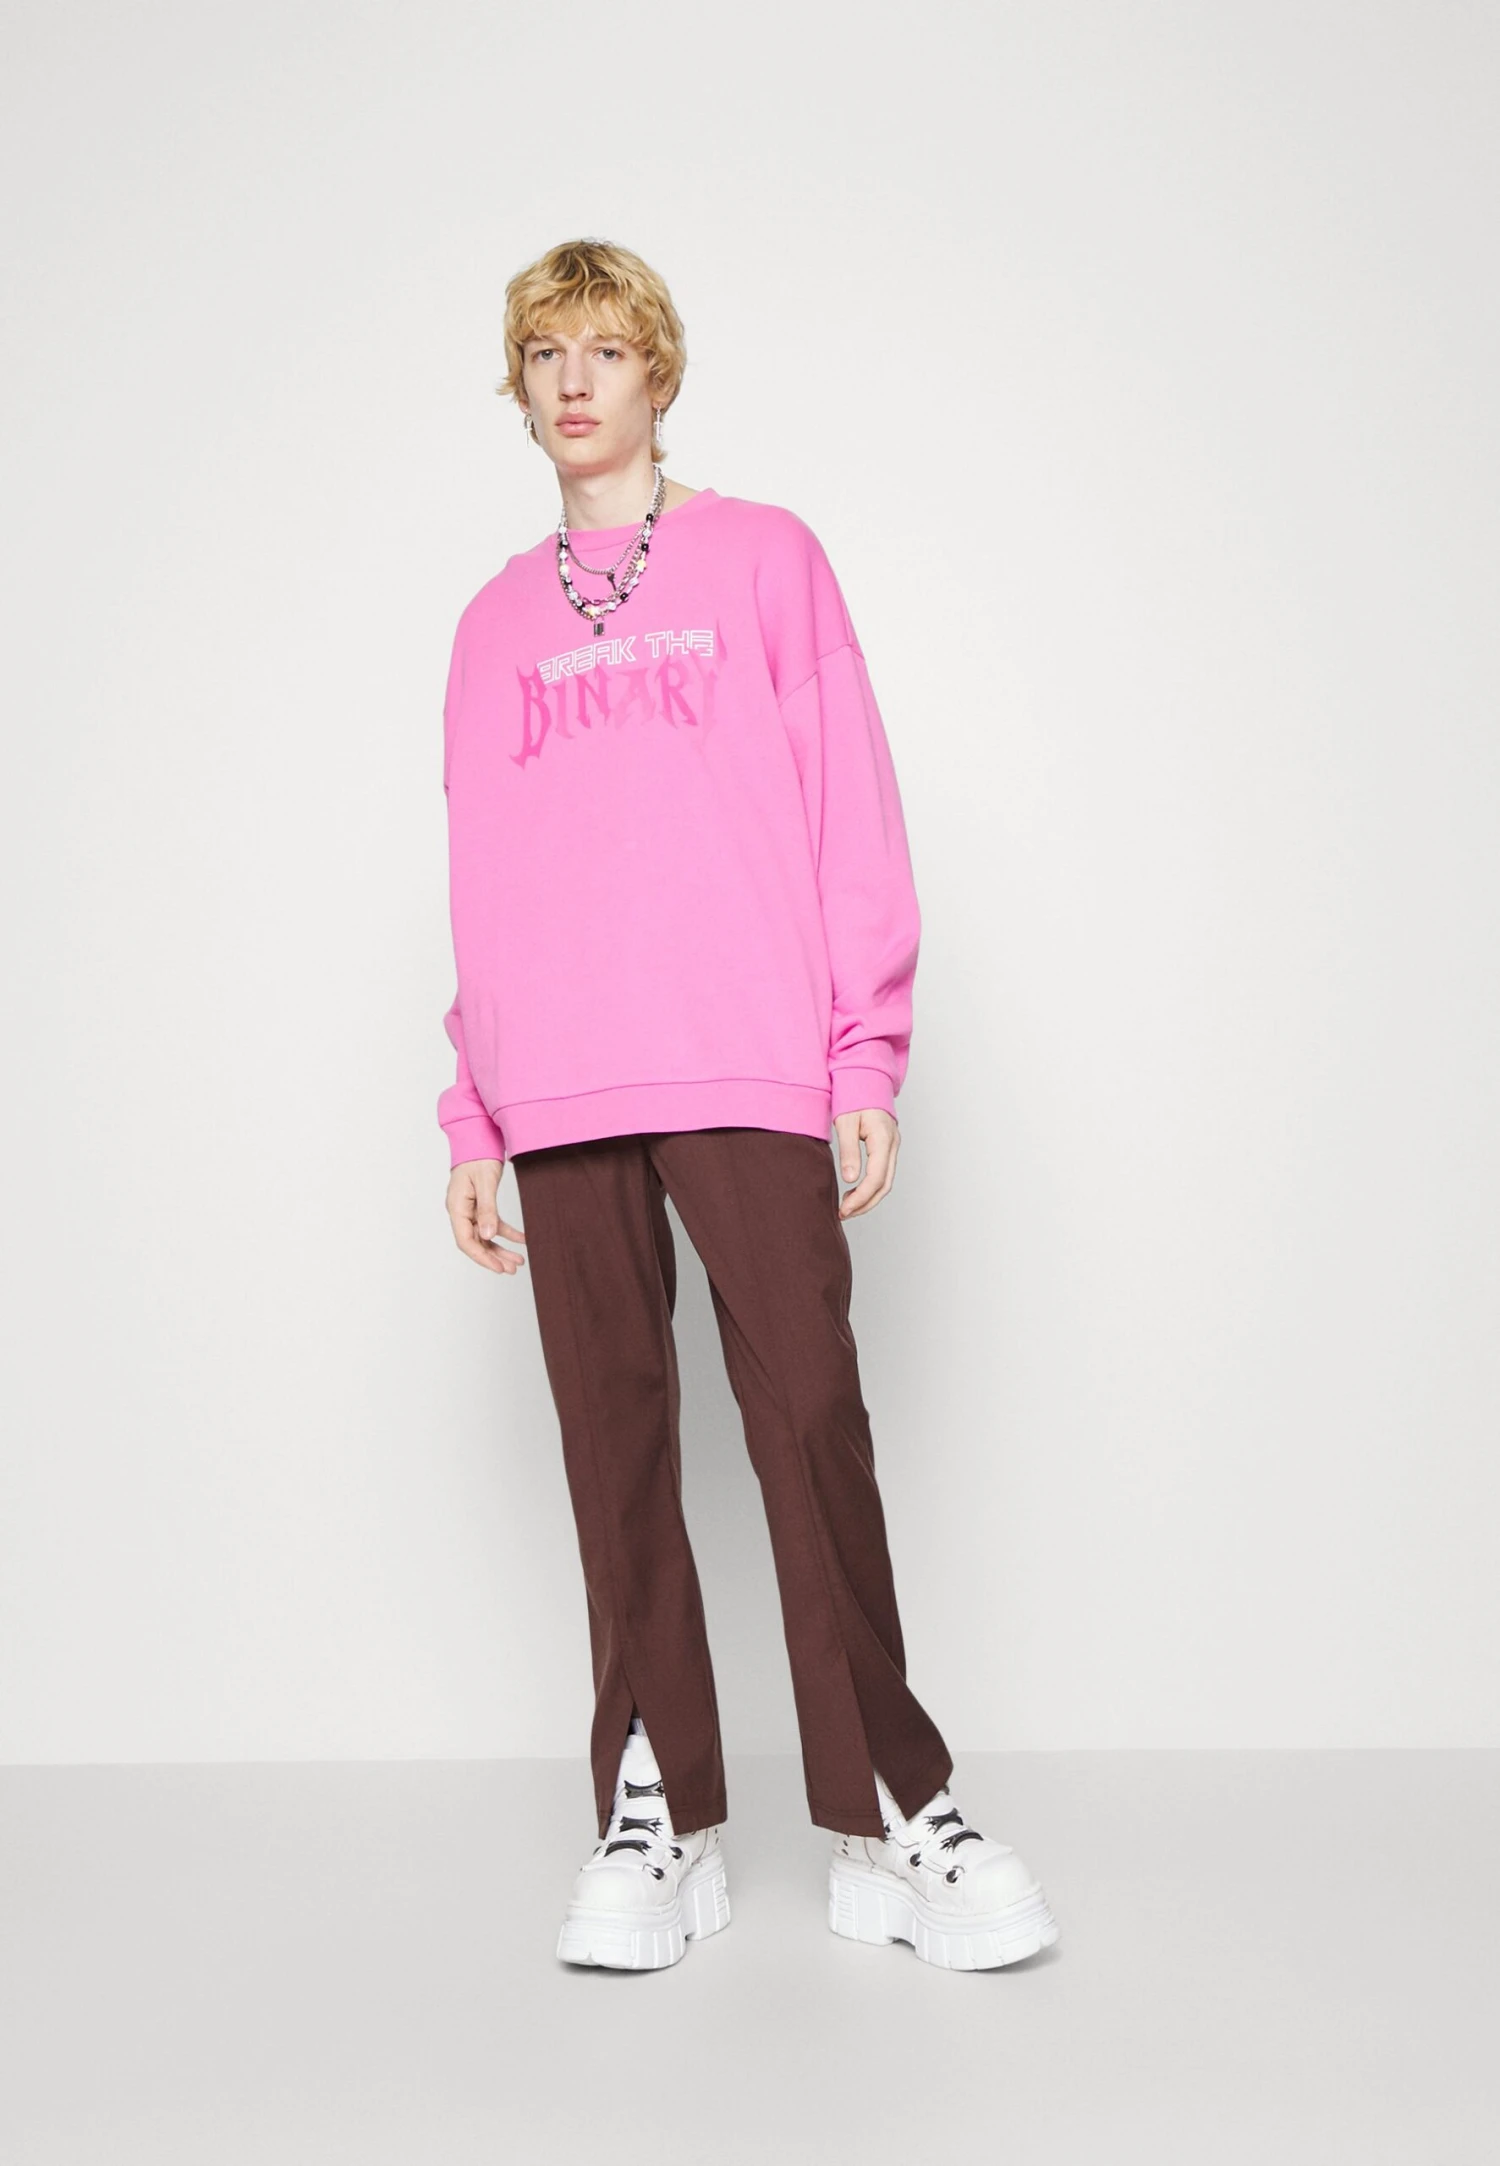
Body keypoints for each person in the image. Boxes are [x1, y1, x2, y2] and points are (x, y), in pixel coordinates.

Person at [437, 236, 1059, 1974]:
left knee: (808, 1420)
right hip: (558, 1083)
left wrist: (864, 1052)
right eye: (545, 353)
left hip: (745, 1058)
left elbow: (850, 803)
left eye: (606, 349)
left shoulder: (768, 559)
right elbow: (484, 873)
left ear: (659, 372)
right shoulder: (490, 625)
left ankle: (892, 1807)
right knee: (612, 1443)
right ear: (520, 387)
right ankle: (660, 1805)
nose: (575, 381)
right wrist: (472, 1108)